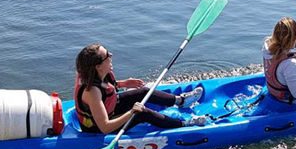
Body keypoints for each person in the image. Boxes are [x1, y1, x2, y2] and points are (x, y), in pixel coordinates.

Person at [73, 43, 206, 134]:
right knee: (141, 113)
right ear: (98, 66)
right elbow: (105, 127)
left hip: (108, 109)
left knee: (143, 92)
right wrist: (131, 112)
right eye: (107, 55)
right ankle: (184, 124)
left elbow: (104, 89)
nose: (111, 55)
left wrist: (123, 84)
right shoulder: (91, 92)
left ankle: (181, 101)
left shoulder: (95, 73)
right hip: (98, 128)